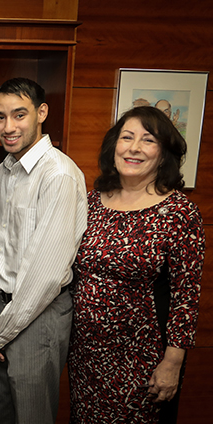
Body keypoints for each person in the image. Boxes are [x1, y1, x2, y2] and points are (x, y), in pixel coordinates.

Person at [68, 106, 205, 424]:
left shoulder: (179, 213)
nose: (133, 147)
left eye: (148, 140)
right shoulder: (91, 202)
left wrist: (172, 362)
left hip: (142, 358)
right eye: (126, 137)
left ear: (164, 152)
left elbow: (187, 298)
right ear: (113, 145)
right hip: (85, 354)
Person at [0, 77, 87, 424]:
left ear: (42, 113)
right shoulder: (5, 169)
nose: (8, 127)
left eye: (19, 115)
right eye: (0, 117)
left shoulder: (58, 174)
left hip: (38, 318)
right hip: (0, 312)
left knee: (31, 418)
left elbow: (46, 275)